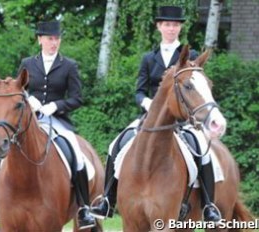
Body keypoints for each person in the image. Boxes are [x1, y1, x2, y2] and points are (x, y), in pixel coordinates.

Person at [90, 6, 222, 222]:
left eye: (176, 25)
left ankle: (208, 205)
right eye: (167, 25)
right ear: (159, 27)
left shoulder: (190, 55)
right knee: (116, 144)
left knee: (202, 150)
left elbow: (196, 89)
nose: (171, 28)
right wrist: (147, 102)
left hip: (182, 119)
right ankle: (107, 199)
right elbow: (139, 90)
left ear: (180, 28)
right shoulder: (148, 58)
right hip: (151, 118)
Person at [0, 20, 96, 230]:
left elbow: (77, 98)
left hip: (56, 120)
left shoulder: (69, 65)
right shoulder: (28, 63)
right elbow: (18, 89)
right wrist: (30, 100)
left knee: (76, 153)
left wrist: (54, 106)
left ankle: (84, 208)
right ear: (40, 39)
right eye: (49, 39)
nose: (53, 43)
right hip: (28, 118)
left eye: (56, 39)